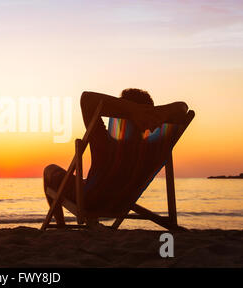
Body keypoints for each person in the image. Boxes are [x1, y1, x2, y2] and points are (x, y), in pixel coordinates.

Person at [43, 88, 188, 227]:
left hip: (91, 199)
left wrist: (130, 109)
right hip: (124, 200)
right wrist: (154, 112)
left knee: (49, 170)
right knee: (86, 181)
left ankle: (60, 225)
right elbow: (183, 108)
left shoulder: (106, 143)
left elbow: (86, 98)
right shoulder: (156, 146)